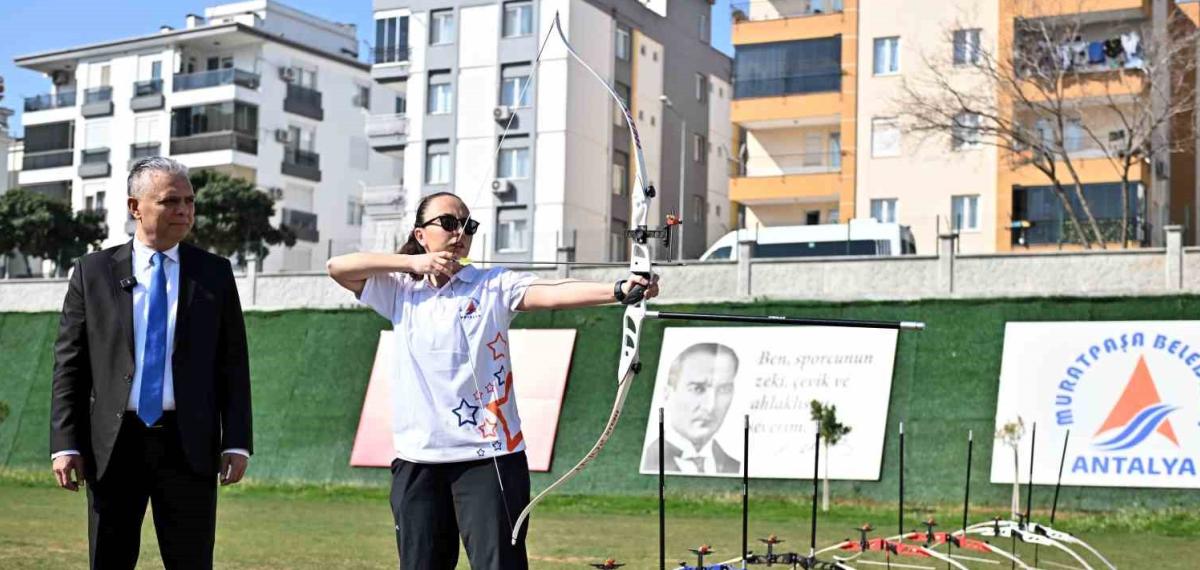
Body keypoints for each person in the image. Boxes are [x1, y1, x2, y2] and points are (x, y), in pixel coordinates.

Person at [326, 191, 659, 570]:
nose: (459, 233)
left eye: (468, 226)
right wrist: (413, 263)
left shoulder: (492, 285)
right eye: (448, 223)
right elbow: (338, 266)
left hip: (489, 458)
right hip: (418, 460)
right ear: (421, 234)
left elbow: (551, 293)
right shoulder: (400, 290)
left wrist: (619, 290)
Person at [50, 157, 253, 569]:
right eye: (170, 201)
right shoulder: (93, 272)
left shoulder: (214, 273)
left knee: (191, 560)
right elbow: (70, 365)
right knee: (109, 557)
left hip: (189, 444)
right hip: (114, 444)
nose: (184, 210)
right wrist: (65, 443)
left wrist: (236, 440)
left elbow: (233, 364)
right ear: (134, 207)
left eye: (190, 201)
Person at [641, 342, 740, 475]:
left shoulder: (735, 467)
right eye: (697, 389)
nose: (710, 406)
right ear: (667, 395)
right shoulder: (648, 460)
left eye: (723, 389)